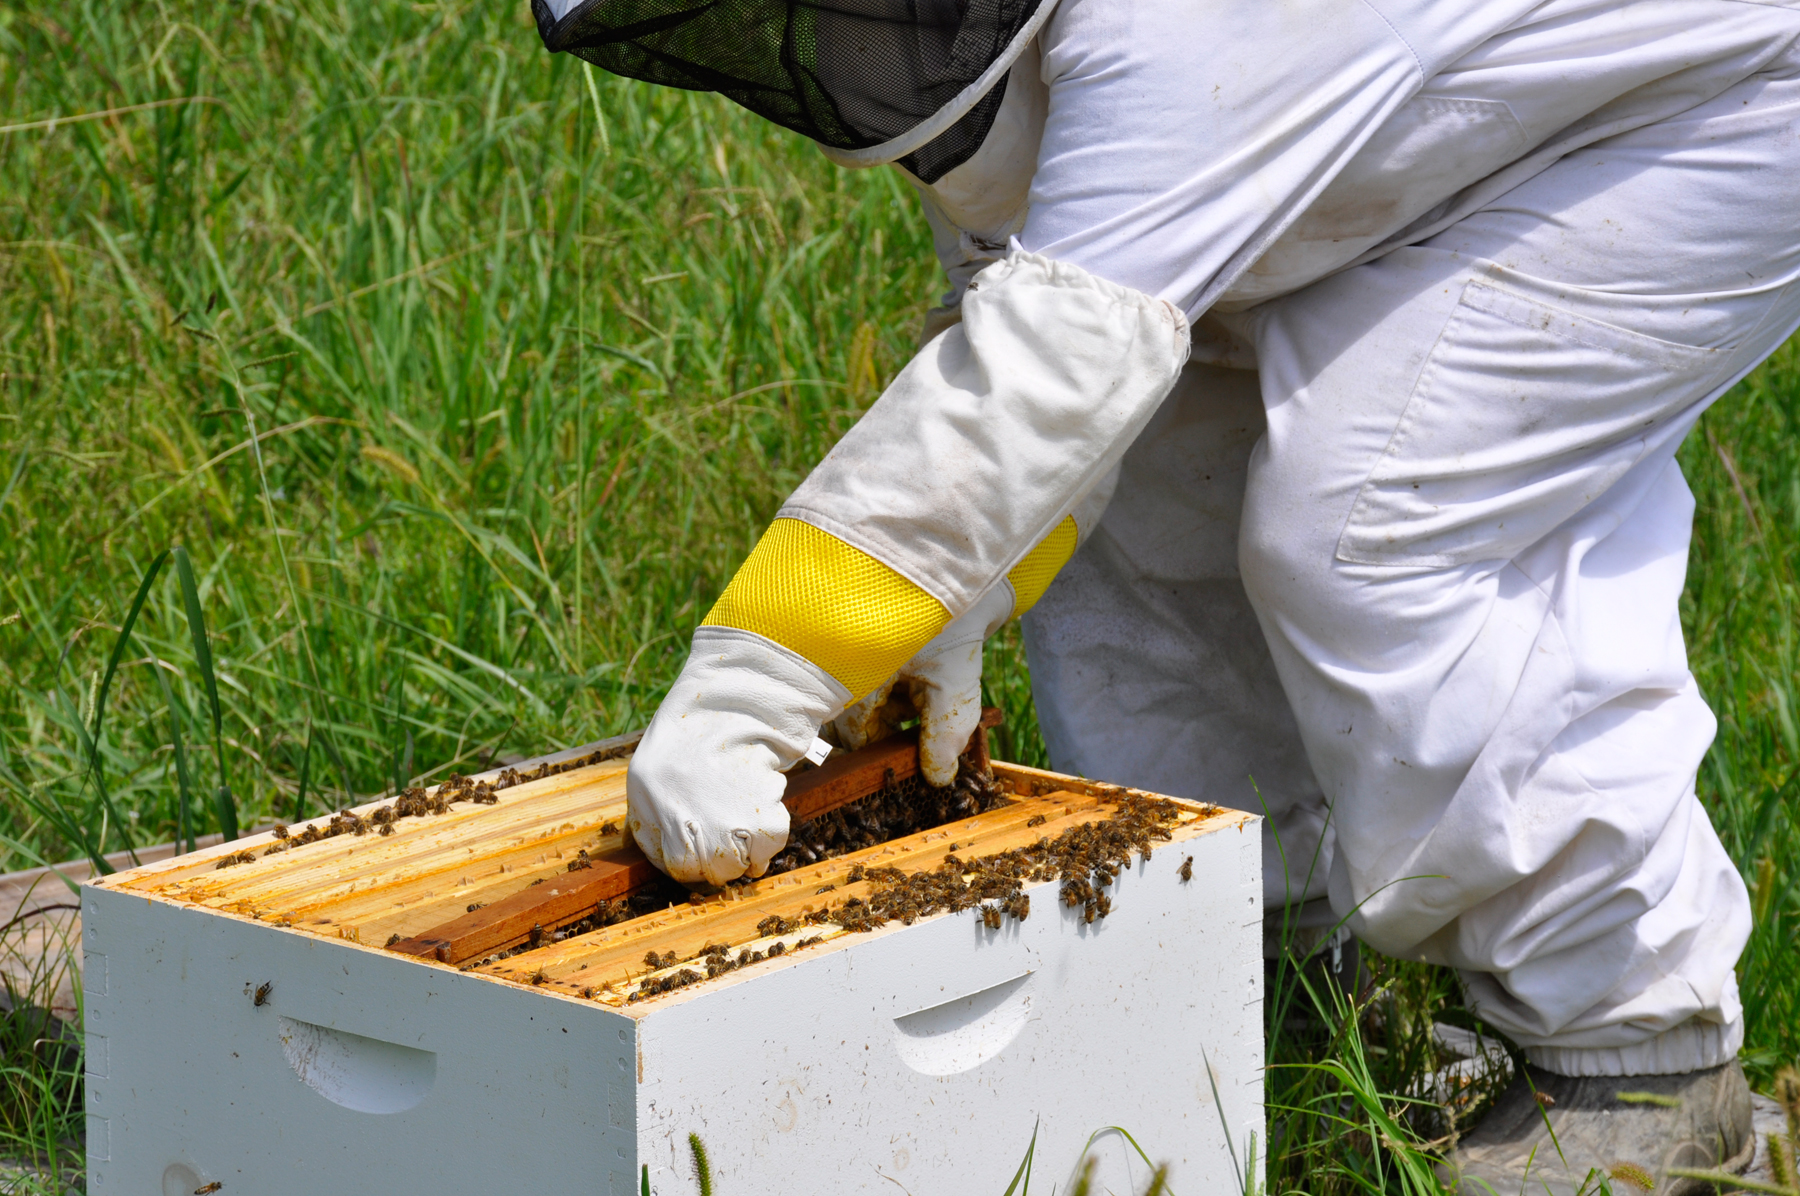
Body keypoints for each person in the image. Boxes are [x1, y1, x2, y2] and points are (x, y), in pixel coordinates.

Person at [532, 0, 1797, 1189]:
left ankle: (1646, 1073)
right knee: (1155, 467)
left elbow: (1059, 356)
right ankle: (1270, 970)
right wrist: (960, 579)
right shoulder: (1080, 54)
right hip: (1420, 87)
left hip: (1711, 112)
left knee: (1377, 511)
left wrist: (760, 676)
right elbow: (1056, 358)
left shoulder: (1174, 35)